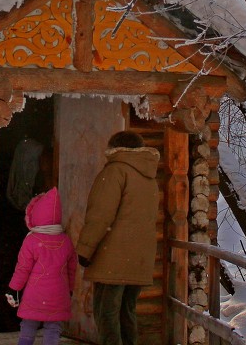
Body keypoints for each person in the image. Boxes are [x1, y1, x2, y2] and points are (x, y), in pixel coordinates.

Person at [75, 131, 160, 345]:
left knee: (106, 313)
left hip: (112, 259)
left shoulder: (115, 171)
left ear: (115, 148)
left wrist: (85, 250)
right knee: (127, 312)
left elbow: (100, 216)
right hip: (139, 258)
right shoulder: (149, 176)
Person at [7, 187, 77, 345]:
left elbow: (22, 269)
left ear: (35, 216)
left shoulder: (31, 241)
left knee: (28, 325)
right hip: (59, 294)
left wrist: (14, 288)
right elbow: (72, 269)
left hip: (35, 294)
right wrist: (70, 289)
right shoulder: (66, 241)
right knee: (53, 327)